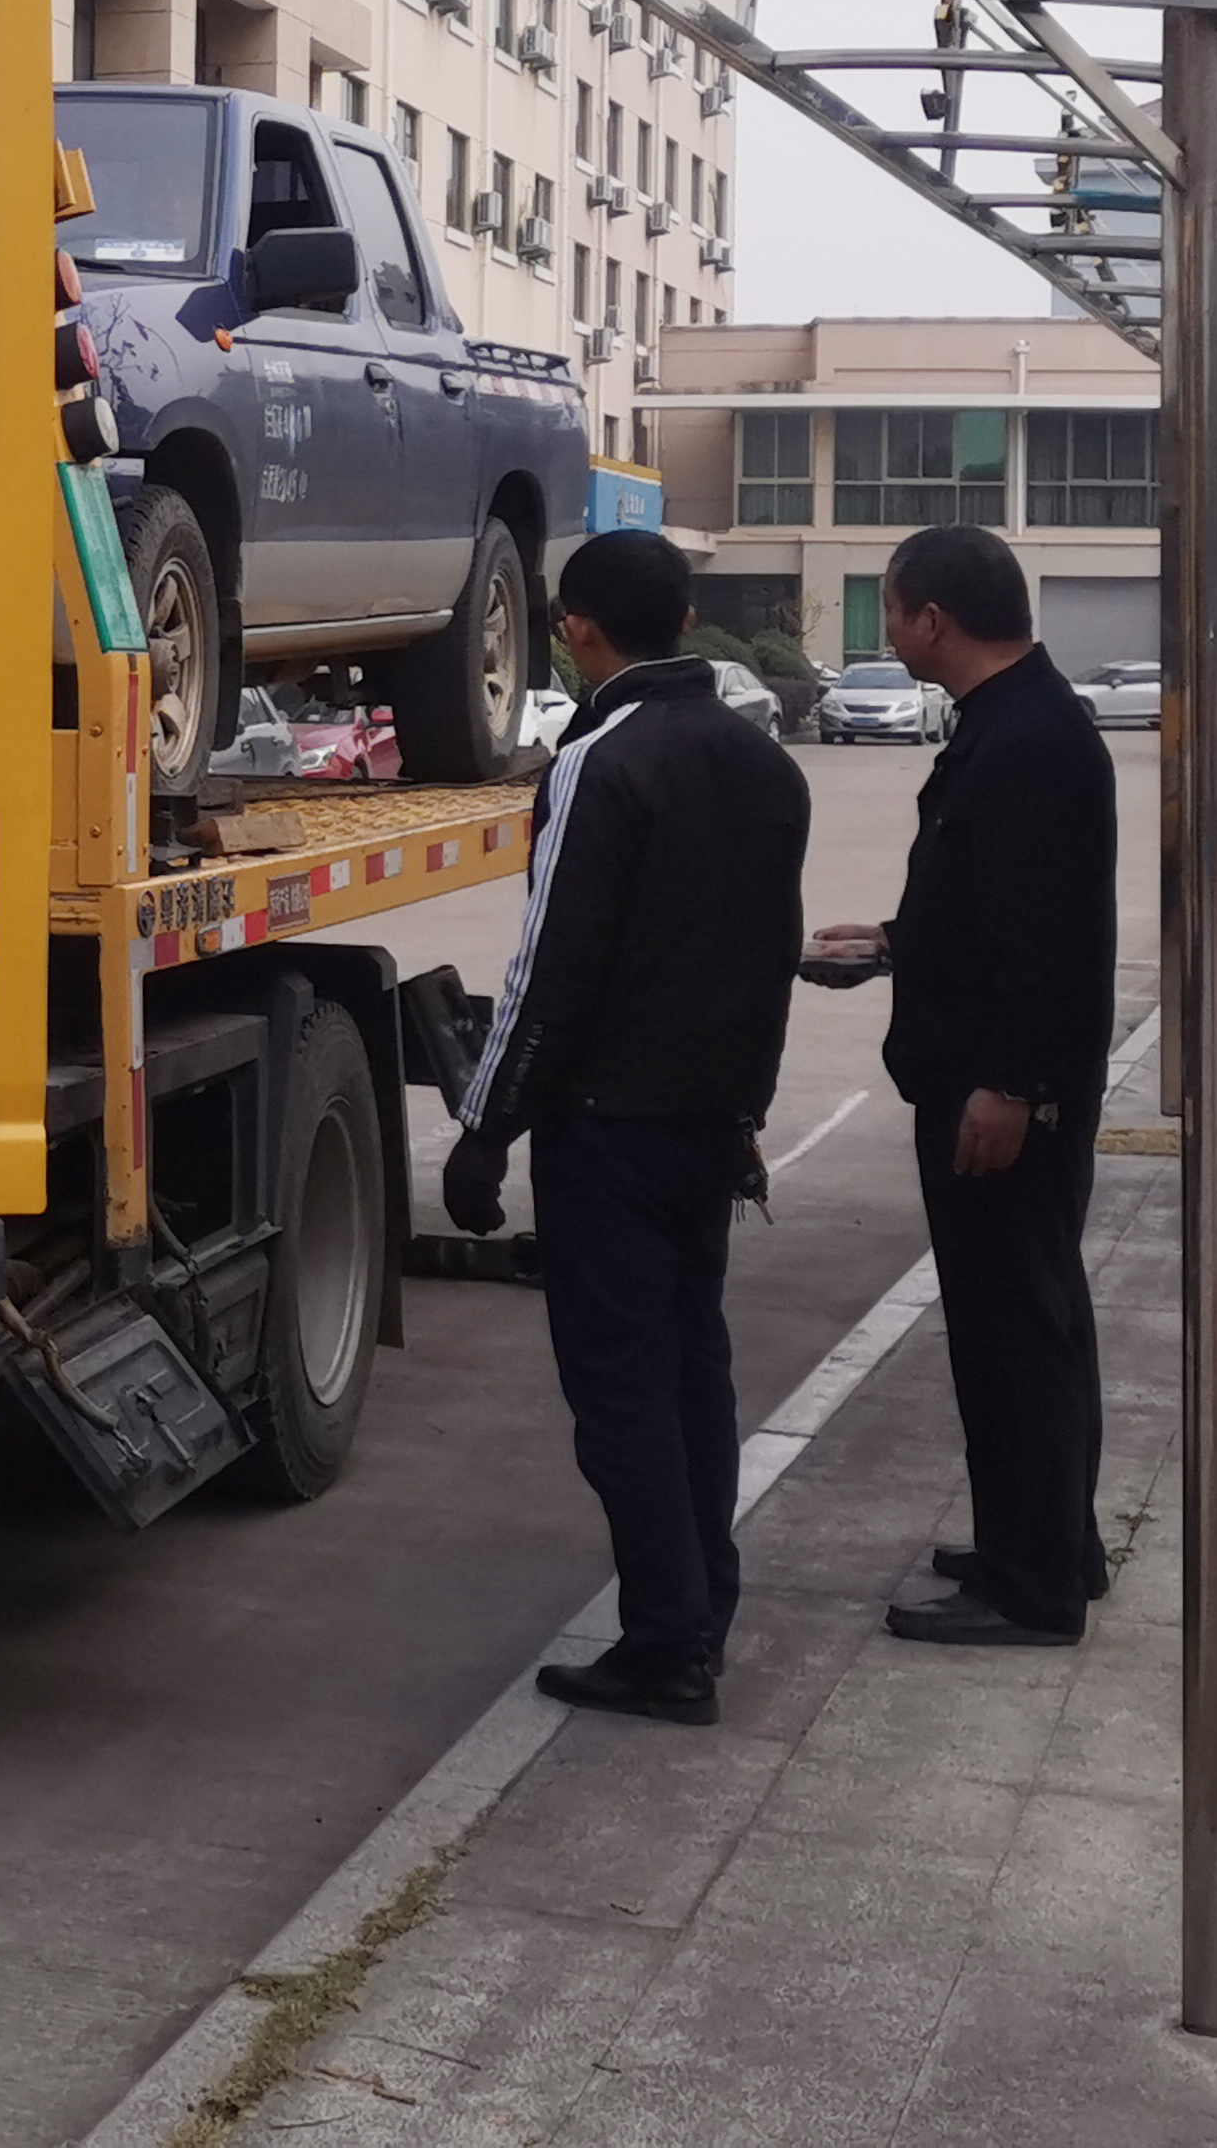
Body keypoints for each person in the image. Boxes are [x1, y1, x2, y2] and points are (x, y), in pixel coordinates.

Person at [444, 529, 812, 1726]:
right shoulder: (762, 764)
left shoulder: (597, 761)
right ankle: (702, 1612)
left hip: (607, 1132)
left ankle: (664, 1644)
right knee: (694, 1373)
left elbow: (550, 967)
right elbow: (766, 961)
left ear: (577, 630)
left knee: (620, 1398)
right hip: (709, 1124)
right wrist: (744, 1111)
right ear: (688, 617)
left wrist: (486, 1128)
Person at [807, 524, 1117, 1647]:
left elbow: (1049, 943)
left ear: (931, 620)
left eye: (891, 615)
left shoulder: (1031, 741)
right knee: (1026, 1320)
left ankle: (1031, 1587)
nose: (888, 637)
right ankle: (1047, 1543)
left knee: (1014, 1335)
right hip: (995, 1077)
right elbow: (992, 906)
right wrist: (896, 942)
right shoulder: (1014, 720)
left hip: (1004, 1097)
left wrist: (1009, 1085)